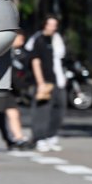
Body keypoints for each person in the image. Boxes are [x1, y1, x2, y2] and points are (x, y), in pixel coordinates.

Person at [26, 16, 67, 152]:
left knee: (59, 108)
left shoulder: (57, 40)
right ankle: (39, 137)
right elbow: (35, 62)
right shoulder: (39, 40)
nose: (52, 27)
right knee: (42, 110)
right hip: (44, 80)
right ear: (44, 25)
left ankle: (51, 135)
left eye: (54, 25)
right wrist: (40, 82)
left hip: (58, 80)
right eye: (50, 24)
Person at [0, 30, 31, 150]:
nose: (21, 40)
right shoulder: (0, 50)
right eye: (19, 37)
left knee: (13, 112)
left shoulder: (19, 53)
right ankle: (7, 138)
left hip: (8, 88)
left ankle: (18, 137)